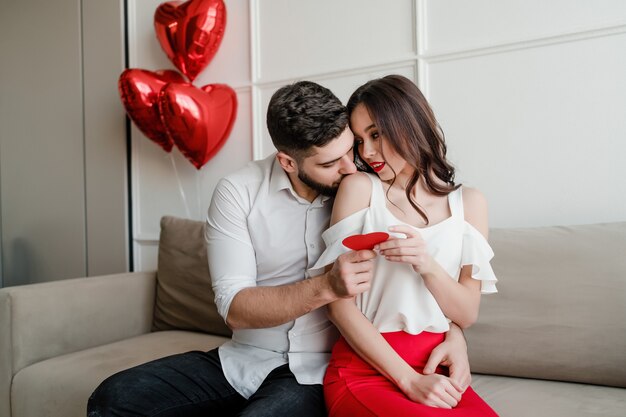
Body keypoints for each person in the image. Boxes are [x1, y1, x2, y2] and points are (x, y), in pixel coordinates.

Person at [87, 81, 472, 417]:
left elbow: (432, 263)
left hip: (318, 370)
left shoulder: (368, 183)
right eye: (331, 163)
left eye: (349, 150)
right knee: (113, 399)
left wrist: (455, 333)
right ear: (287, 160)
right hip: (245, 357)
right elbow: (235, 308)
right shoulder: (238, 192)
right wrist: (326, 287)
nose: (351, 168)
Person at [312, 75, 499, 416]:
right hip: (367, 369)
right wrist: (408, 381)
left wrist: (426, 265)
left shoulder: (469, 203)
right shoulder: (359, 189)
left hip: (436, 367)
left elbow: (466, 313)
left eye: (376, 134)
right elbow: (338, 305)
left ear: (408, 124)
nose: (366, 152)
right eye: (359, 140)